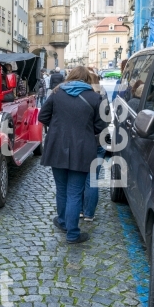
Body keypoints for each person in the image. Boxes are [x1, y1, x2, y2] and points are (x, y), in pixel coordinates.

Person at [38, 66, 108, 244]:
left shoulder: (57, 93)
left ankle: (63, 222)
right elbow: (101, 125)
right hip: (82, 149)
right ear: (87, 80)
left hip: (57, 147)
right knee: (75, 192)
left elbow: (42, 116)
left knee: (61, 189)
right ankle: (72, 233)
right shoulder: (94, 97)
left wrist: (58, 126)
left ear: (70, 77)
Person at [81, 70, 109, 221]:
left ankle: (79, 210)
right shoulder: (102, 95)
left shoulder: (83, 96)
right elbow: (108, 118)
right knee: (92, 178)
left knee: (78, 176)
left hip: (85, 140)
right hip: (100, 140)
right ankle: (89, 213)